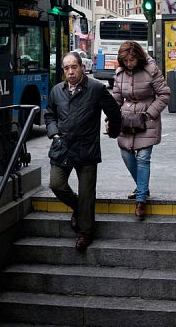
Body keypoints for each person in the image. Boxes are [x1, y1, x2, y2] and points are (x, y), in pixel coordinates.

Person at [45, 51, 122, 251]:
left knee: (87, 192)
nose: (70, 72)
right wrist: (54, 134)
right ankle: (80, 210)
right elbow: (50, 115)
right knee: (56, 184)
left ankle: (85, 233)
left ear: (82, 67)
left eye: (74, 67)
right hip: (62, 147)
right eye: (66, 68)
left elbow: (114, 111)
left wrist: (113, 130)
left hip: (87, 148)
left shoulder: (95, 88)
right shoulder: (56, 91)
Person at [112, 41, 170, 219]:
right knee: (126, 155)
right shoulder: (119, 73)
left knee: (143, 158)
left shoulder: (151, 70)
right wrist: (112, 117)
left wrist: (150, 113)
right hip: (126, 121)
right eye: (126, 61)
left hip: (146, 121)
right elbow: (116, 98)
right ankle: (142, 186)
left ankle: (141, 199)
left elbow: (164, 94)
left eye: (132, 60)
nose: (129, 63)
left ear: (139, 56)